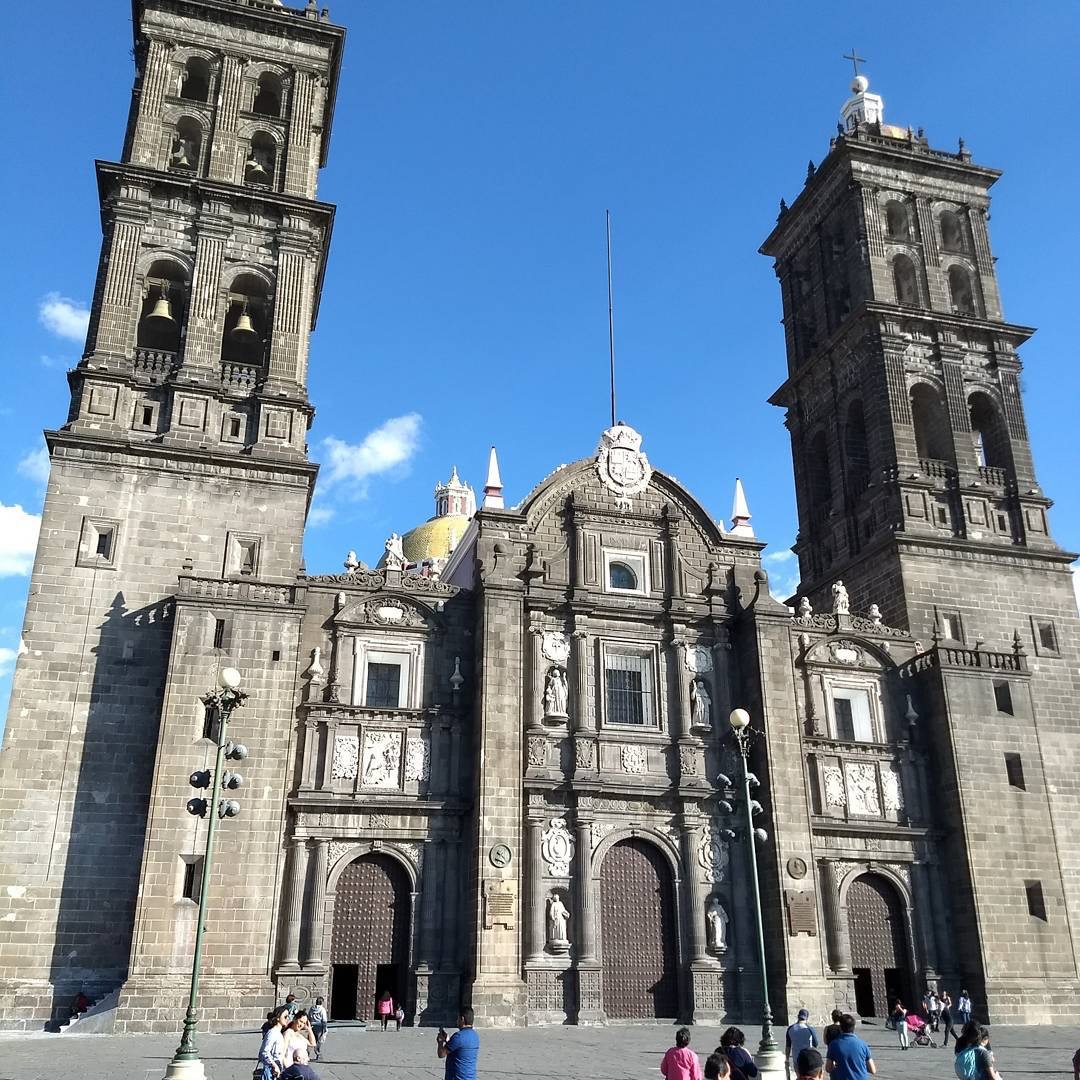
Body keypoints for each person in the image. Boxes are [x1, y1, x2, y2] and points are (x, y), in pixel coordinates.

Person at [825, 1014, 876, 1080]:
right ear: (854, 1027)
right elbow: (873, 1070)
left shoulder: (833, 1044)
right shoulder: (863, 1044)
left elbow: (828, 1068)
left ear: (840, 1028)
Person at [437, 1007, 480, 1080]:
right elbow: (460, 1049)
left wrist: (440, 1042)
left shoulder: (458, 1036)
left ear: (462, 1019)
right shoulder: (475, 1036)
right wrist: (448, 1041)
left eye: (458, 1018)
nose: (457, 1021)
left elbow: (441, 1054)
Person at [258, 1006, 291, 1080]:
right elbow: (264, 1052)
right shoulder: (272, 1033)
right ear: (278, 1018)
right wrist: (274, 1065)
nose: (287, 1019)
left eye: (288, 1016)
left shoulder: (279, 1033)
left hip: (278, 1069)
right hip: (271, 1070)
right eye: (285, 1017)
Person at [786, 1009, 819, 1079]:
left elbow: (788, 1046)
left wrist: (787, 1058)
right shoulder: (810, 1029)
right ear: (806, 1018)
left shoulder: (790, 1029)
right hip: (808, 1057)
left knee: (799, 1077)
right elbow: (816, 1043)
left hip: (796, 1058)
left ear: (798, 1016)